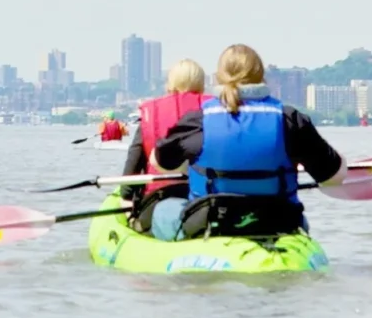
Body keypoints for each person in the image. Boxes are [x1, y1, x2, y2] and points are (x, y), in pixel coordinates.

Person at [149, 44, 347, 241]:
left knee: (163, 209)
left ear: (218, 78)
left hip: (211, 222)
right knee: (301, 218)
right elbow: (333, 178)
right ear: (261, 76)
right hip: (280, 221)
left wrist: (191, 164)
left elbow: (160, 162)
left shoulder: (197, 121)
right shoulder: (290, 120)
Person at [120, 60, 207, 224]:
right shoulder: (217, 112)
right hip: (207, 202)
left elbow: (133, 163)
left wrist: (126, 197)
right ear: (201, 84)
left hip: (159, 199)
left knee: (127, 205)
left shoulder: (151, 115)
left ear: (170, 84)